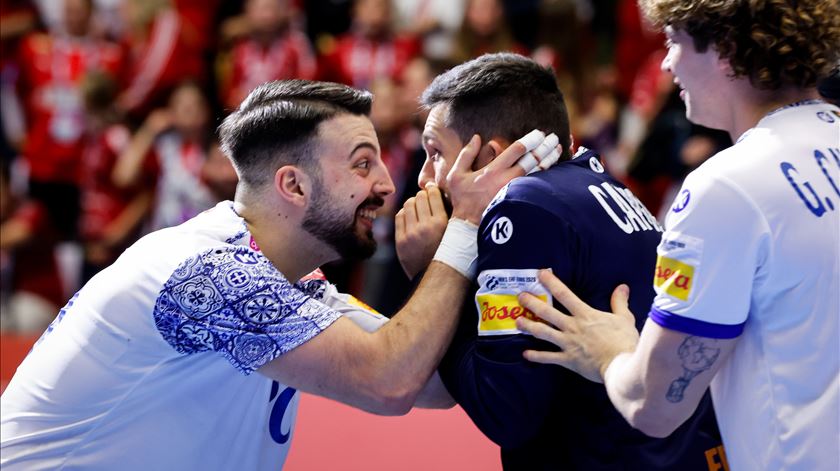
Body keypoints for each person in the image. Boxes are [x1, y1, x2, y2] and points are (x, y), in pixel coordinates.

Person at [0, 79, 530, 469]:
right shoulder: (210, 274)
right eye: (362, 163)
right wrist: (464, 227)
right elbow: (389, 382)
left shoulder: (292, 282)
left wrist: (435, 269)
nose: (389, 186)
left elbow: (434, 384)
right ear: (293, 186)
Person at [515, 2, 840, 470]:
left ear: (726, 49)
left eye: (673, 42)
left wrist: (609, 352)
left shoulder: (726, 187)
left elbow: (654, 405)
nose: (667, 64)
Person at [403, 52, 724, 470]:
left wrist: (431, 269)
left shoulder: (522, 206)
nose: (424, 178)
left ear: (488, 156)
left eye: (435, 153)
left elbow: (505, 412)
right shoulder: (599, 182)